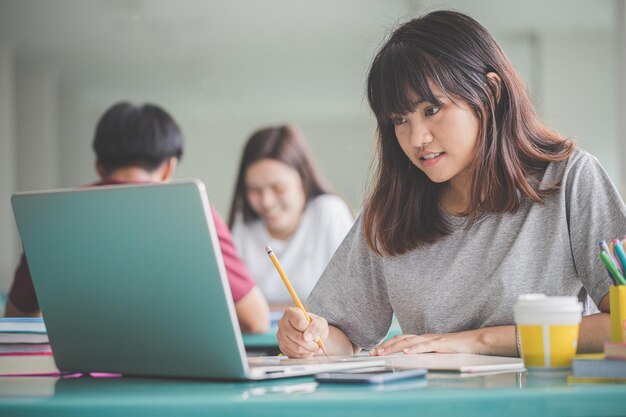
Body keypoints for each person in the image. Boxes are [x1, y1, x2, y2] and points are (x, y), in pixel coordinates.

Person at [277, 10, 626, 358]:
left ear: (490, 93)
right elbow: (340, 338)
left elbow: (621, 325)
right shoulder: (390, 213)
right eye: (400, 120)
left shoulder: (569, 179)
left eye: (431, 110)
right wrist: (309, 340)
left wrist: (475, 341)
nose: (417, 138)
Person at [5, 102, 270, 334]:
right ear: (169, 167)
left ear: (98, 166)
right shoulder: (192, 211)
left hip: (78, 378)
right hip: (179, 375)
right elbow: (256, 320)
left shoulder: (51, 215)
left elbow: (17, 319)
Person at [228, 125, 354, 307]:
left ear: (303, 179)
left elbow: (351, 302)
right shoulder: (242, 225)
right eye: (254, 190)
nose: (267, 202)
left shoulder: (328, 212)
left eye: (278, 188)